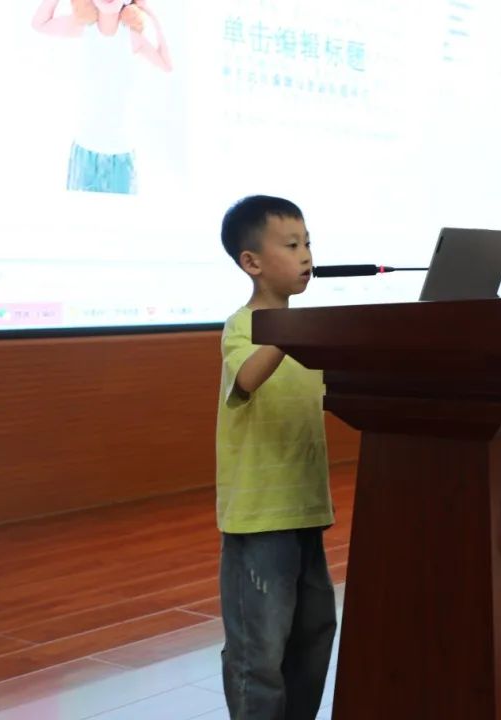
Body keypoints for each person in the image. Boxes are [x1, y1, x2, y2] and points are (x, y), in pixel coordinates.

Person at [215, 195, 336, 719]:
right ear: (252, 263)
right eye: (291, 245)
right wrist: (291, 335)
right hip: (260, 516)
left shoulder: (301, 333)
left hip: (306, 508)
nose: (306, 255)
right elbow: (247, 377)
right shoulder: (244, 326)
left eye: (308, 243)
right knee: (259, 650)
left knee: (314, 634)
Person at [30, 0, 172, 195]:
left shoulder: (132, 36)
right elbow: (39, 24)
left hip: (121, 152)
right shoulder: (83, 27)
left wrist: (152, 15)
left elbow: (166, 65)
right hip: (86, 148)